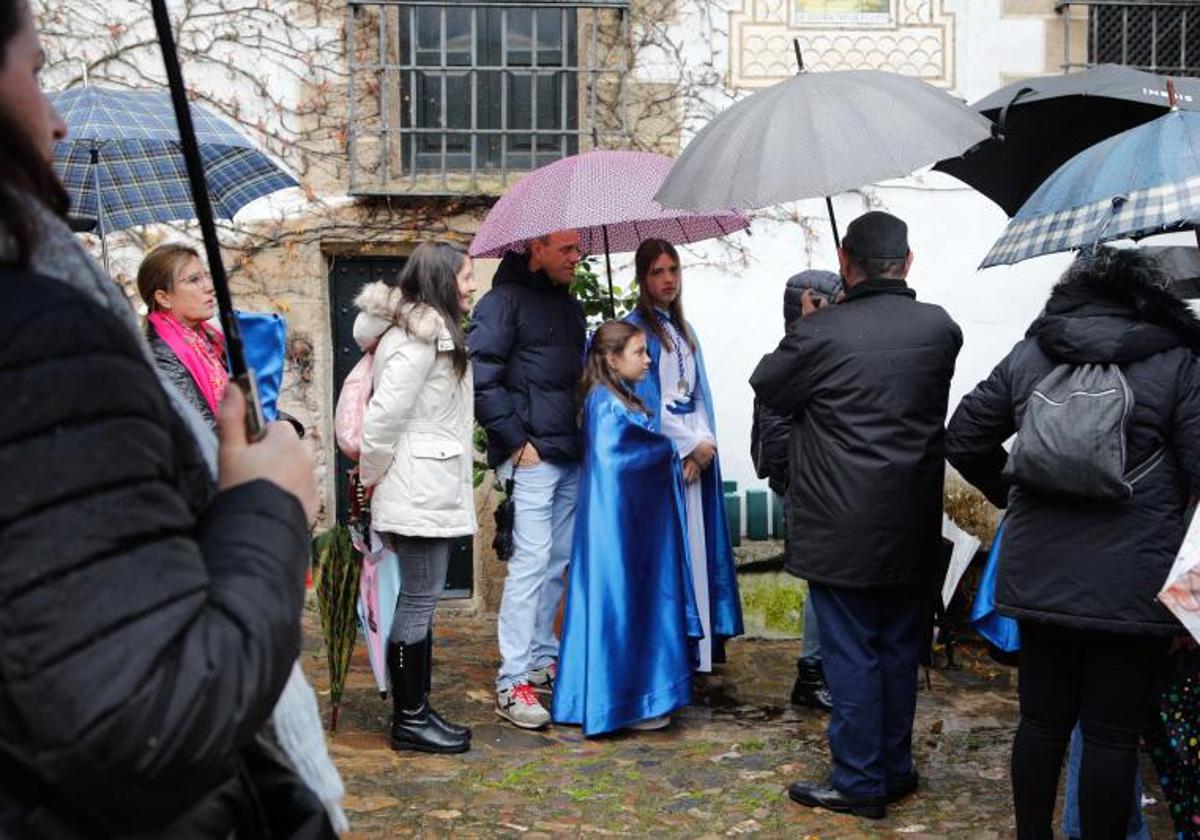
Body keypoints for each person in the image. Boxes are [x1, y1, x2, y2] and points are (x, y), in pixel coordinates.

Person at [0, 1, 332, 834]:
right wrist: (267, 505)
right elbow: (146, 717)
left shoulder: (190, 341)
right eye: (36, 74)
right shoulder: (48, 340)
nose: (58, 120)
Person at [945, 247, 1200, 839]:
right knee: (1112, 734)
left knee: (1040, 724)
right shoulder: (1179, 361)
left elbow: (963, 438)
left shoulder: (1032, 353)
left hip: (1038, 573)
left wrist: (1013, 492)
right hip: (1135, 584)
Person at [751, 211, 962, 820]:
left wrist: (820, 327)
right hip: (911, 519)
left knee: (850, 656)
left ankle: (860, 780)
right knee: (898, 648)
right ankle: (894, 768)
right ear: (908, 262)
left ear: (846, 263)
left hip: (840, 525)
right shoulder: (939, 328)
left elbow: (772, 386)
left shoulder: (822, 335)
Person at [355, 241, 478, 754]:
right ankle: (409, 718)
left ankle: (418, 709)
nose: (472, 285)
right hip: (415, 485)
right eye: (467, 277)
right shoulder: (415, 341)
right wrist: (370, 481)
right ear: (441, 280)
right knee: (418, 599)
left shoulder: (433, 334)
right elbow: (383, 419)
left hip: (428, 483)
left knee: (421, 600)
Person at [551, 321, 703, 735]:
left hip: (622, 527)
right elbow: (622, 460)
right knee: (619, 605)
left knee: (626, 604)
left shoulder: (615, 399)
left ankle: (616, 697)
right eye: (639, 352)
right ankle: (621, 702)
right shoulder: (608, 405)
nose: (649, 359)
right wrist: (668, 451)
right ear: (612, 359)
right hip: (615, 532)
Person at [469, 230, 587, 729]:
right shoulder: (501, 302)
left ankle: (541, 657)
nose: (576, 258)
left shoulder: (569, 307)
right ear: (536, 248)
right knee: (530, 564)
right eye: (566, 249)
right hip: (531, 455)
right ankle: (511, 680)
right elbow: (479, 373)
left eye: (579, 249)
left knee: (557, 560)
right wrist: (517, 442)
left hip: (567, 452)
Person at [626, 239, 743, 673]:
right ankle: (669, 652)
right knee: (669, 555)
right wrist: (688, 445)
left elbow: (698, 396)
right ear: (643, 278)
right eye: (658, 271)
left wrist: (705, 446)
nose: (668, 279)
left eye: (673, 269)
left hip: (694, 460)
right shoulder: (636, 333)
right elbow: (645, 403)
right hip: (665, 462)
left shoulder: (684, 331)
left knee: (696, 550)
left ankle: (698, 651)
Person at [750, 270, 840, 713]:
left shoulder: (822, 354)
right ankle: (811, 671)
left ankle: (823, 666)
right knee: (822, 581)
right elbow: (779, 438)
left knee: (829, 580)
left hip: (825, 488)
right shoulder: (790, 361)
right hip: (805, 489)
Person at [138, 242, 226, 430]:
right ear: (164, 298)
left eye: (206, 276)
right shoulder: (161, 355)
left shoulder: (209, 336)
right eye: (194, 280)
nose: (209, 287)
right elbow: (196, 430)